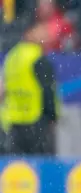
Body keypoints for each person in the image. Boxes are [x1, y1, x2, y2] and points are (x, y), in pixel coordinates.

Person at [2, 18, 59, 155]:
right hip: (36, 122)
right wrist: (52, 116)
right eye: (42, 30)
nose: (46, 34)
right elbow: (47, 90)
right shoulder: (37, 57)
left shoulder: (11, 56)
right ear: (29, 32)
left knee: (18, 169)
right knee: (41, 171)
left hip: (13, 123)